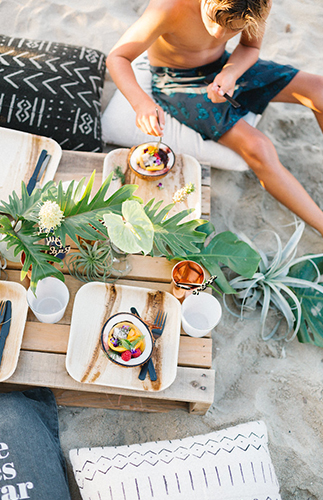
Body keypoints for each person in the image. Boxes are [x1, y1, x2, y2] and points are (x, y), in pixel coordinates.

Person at [106, 0, 323, 235]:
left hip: (225, 66)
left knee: (318, 90)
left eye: (234, 29)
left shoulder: (256, 3)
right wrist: (141, 103)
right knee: (259, 147)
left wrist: (231, 72)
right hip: (178, 83)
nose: (221, 34)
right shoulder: (168, 7)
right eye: (215, 21)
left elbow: (250, 48)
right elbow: (118, 57)